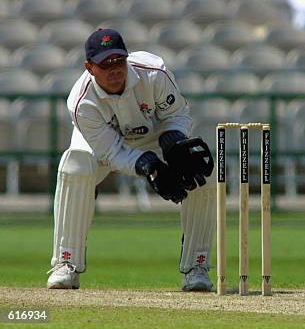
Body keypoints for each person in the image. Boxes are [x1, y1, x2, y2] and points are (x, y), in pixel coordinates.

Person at [46, 29, 216, 292]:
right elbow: (112, 152)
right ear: (89, 67)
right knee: (75, 163)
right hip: (104, 144)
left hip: (154, 136)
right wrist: (151, 167)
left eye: (118, 61)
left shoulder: (153, 72)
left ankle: (198, 266)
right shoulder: (81, 102)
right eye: (105, 64)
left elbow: (178, 113)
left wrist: (172, 141)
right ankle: (66, 263)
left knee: (203, 177)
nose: (114, 70)